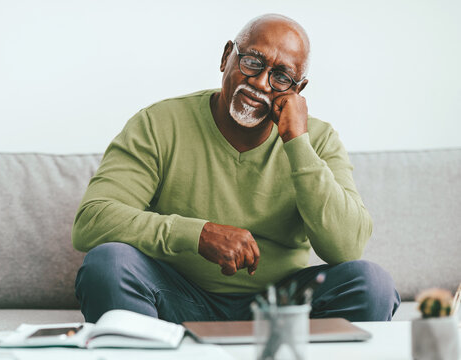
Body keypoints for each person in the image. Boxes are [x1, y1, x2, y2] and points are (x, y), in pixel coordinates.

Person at [72, 13, 400, 324]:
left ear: (297, 90)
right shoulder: (159, 123)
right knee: (109, 264)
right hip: (176, 299)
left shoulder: (319, 139)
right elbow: (92, 221)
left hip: (283, 309)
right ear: (227, 56)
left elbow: (346, 248)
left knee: (371, 284)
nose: (260, 82)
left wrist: (296, 142)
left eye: (281, 76)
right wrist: (197, 234)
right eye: (252, 62)